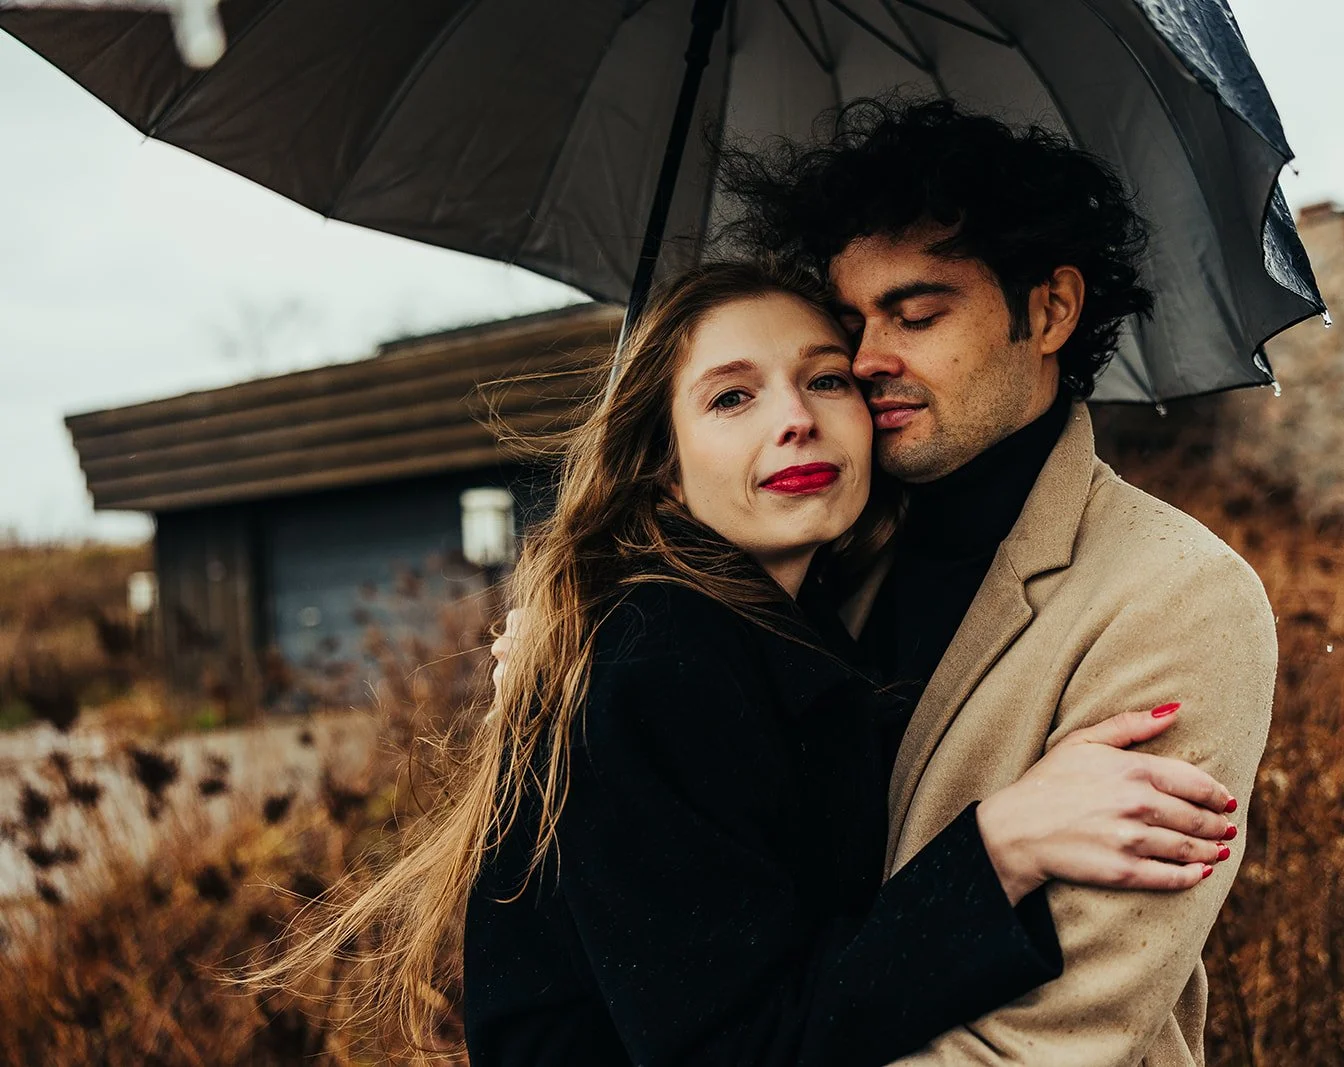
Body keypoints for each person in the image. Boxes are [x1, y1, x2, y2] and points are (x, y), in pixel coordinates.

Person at [253, 259, 1239, 1066]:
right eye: (732, 396)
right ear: (662, 468)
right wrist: (997, 846)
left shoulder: (790, 607)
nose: (796, 417)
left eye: (825, 377)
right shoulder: (654, 659)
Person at [707, 97, 1281, 1065]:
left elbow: (1051, 1038)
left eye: (917, 313)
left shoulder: (1177, 594)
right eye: (849, 321)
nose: (867, 359)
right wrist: (576, 670)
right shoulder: (812, 550)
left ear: (1049, 309)